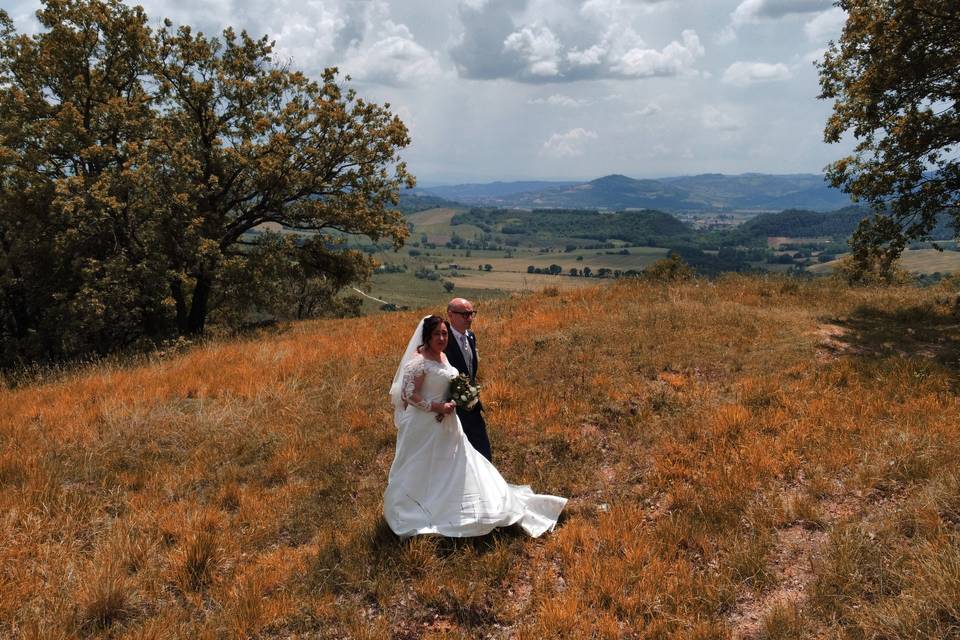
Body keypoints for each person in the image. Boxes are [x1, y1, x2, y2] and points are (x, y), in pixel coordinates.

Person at [384, 315, 566, 539]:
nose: (442, 338)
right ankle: (418, 509)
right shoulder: (418, 361)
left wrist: (459, 398)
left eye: (444, 333)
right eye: (437, 334)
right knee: (421, 465)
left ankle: (460, 503)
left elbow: (447, 383)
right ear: (427, 337)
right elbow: (408, 394)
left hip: (448, 422)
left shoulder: (442, 356)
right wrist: (437, 407)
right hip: (423, 425)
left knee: (459, 462)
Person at [443, 297, 492, 461]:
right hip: (451, 408)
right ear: (451, 314)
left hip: (472, 405)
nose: (469, 318)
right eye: (465, 314)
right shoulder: (443, 339)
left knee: (482, 449)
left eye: (471, 314)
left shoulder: (471, 336)